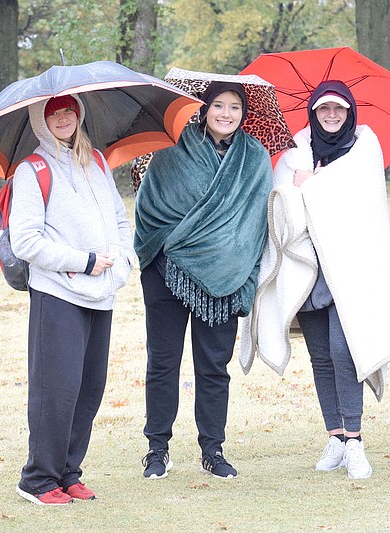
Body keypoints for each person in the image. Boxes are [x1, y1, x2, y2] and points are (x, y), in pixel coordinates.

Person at [241, 80, 390, 480]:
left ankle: (355, 440)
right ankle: (334, 435)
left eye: (339, 110)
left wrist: (312, 186)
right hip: (308, 269)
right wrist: (300, 189)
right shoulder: (296, 152)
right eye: (323, 110)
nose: (331, 117)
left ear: (350, 113)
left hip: (349, 270)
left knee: (343, 352)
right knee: (319, 357)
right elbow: (280, 203)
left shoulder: (363, 149)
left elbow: (357, 202)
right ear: (313, 113)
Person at [134, 81, 272, 480]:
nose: (226, 114)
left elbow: (256, 224)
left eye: (234, 107)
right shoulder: (172, 149)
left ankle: (213, 449)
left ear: (244, 113)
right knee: (163, 362)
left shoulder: (256, 158)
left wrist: (234, 262)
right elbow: (150, 209)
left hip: (224, 278)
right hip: (166, 270)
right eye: (218, 106)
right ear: (203, 109)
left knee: (214, 366)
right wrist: (171, 248)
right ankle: (157, 448)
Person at [9, 94, 136, 505]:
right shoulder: (33, 170)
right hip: (57, 292)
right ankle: (38, 478)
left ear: (78, 114)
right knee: (56, 389)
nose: (62, 117)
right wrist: (84, 261)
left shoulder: (96, 161)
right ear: (40, 120)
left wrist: (121, 264)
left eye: (68, 110)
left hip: (102, 293)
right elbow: (26, 240)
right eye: (52, 112)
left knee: (88, 389)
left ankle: (68, 472)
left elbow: (118, 218)